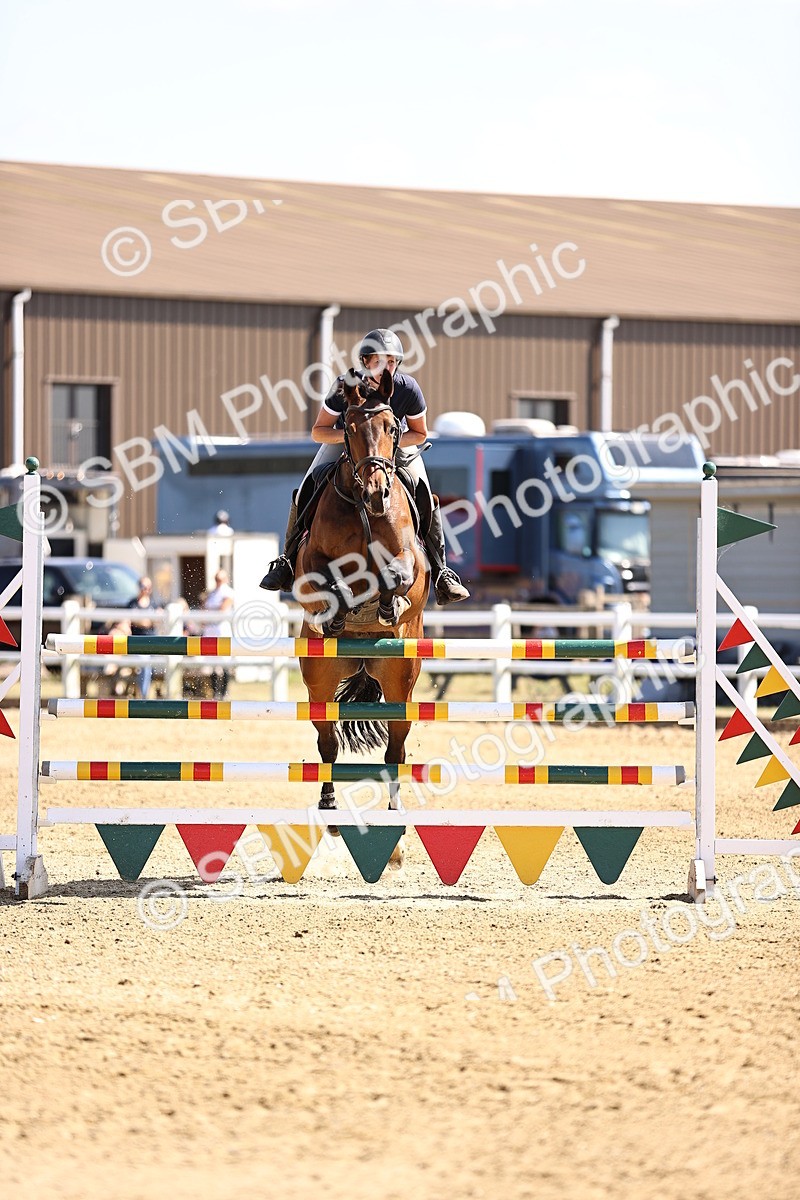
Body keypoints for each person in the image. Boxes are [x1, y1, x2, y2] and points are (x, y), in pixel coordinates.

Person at [259, 328, 469, 604]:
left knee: (424, 493)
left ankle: (442, 572)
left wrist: (385, 446)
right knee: (307, 487)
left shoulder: (406, 388)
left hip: (392, 447)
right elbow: (319, 431)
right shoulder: (347, 384)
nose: (388, 367)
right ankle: (287, 561)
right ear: (366, 361)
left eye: (393, 362)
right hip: (347, 443)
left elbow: (420, 434)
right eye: (382, 361)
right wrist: (350, 437)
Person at [204, 569, 235, 699]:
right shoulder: (212, 593)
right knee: (212, 663)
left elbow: (223, 608)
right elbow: (205, 608)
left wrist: (211, 609)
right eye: (216, 579)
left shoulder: (228, 591)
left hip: (221, 628)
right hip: (211, 628)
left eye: (220, 579)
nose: (218, 582)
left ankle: (224, 692)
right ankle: (215, 692)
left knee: (224, 662)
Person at [127, 577, 155, 699]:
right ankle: (144, 697)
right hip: (136, 644)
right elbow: (131, 621)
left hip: (153, 643)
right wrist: (146, 621)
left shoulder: (154, 603)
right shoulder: (132, 603)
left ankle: (145, 695)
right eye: (144, 587)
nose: (146, 590)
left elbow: (155, 622)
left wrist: (141, 620)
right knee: (144, 662)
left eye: (149, 587)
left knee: (147, 662)